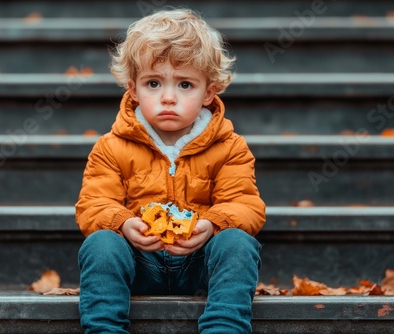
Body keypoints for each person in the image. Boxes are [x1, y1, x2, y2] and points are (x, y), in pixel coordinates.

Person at [76, 8, 266, 333]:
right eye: (153, 83)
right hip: (140, 262)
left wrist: (212, 224)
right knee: (101, 245)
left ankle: (225, 326)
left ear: (209, 92)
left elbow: (246, 206)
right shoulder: (110, 147)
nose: (167, 98)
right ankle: (105, 328)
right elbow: (92, 205)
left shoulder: (230, 147)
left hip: (199, 263)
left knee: (237, 243)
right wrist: (123, 223)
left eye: (185, 85)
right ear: (133, 89)